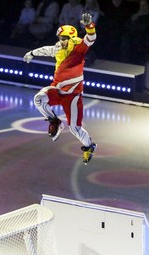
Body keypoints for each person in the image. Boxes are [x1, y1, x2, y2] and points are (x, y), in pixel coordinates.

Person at [23, 13, 97, 165]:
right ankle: (55, 121)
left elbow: (91, 38)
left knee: (75, 129)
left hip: (73, 96)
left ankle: (89, 147)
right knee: (38, 99)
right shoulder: (58, 48)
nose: (61, 41)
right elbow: (47, 49)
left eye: (64, 39)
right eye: (60, 38)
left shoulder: (79, 48)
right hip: (56, 90)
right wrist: (32, 53)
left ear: (71, 38)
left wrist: (89, 25)